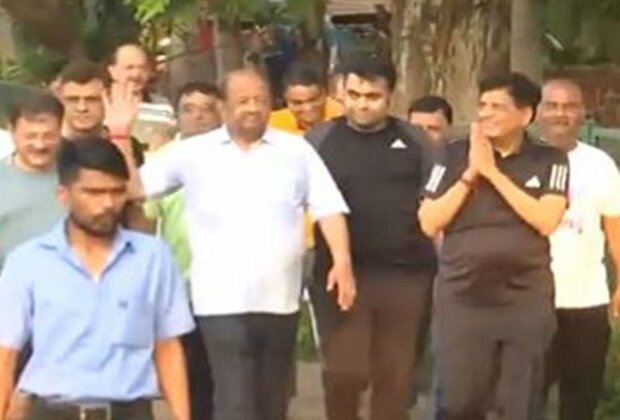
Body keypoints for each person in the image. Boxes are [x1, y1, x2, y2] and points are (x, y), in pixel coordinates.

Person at [117, 68, 356, 420]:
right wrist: (122, 135)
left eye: (259, 100)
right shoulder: (193, 153)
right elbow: (136, 188)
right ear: (225, 107)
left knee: (272, 401)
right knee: (235, 400)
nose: (252, 108)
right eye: (242, 101)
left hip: (280, 300)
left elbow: (328, 207)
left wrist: (343, 261)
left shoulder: (296, 151)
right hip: (219, 302)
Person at [0, 137, 194, 420]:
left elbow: (167, 348)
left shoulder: (152, 258)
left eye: (116, 192)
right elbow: (6, 353)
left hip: (130, 412)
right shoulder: (28, 261)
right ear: (63, 196)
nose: (107, 204)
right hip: (50, 412)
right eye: (93, 192)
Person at [418, 73, 569, 420]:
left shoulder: (549, 159)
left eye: (497, 107)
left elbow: (546, 220)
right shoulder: (452, 154)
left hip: (523, 301)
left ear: (525, 115)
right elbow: (429, 221)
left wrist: (494, 173)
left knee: (520, 405)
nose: (485, 113)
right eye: (482, 105)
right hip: (463, 300)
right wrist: (472, 173)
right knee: (459, 402)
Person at [306, 56, 436, 420]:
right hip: (339, 273)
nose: (362, 103)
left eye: (373, 96)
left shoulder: (416, 140)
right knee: (345, 372)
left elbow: (437, 201)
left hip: (406, 273)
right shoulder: (319, 140)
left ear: (390, 96)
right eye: (354, 94)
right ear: (340, 92)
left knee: (394, 375)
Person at [537, 78, 620, 420]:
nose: (561, 114)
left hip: (586, 300)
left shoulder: (600, 164)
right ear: (537, 112)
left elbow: (615, 226)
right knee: (523, 399)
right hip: (528, 300)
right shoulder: (519, 160)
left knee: (580, 400)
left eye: (570, 106)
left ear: (583, 114)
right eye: (552, 106)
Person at [144, 81, 223, 420]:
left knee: (229, 377)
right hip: (181, 288)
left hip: (228, 287)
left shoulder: (235, 159)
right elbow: (145, 225)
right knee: (192, 376)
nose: (198, 117)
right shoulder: (163, 162)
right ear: (177, 116)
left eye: (207, 109)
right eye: (189, 109)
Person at [0, 93, 65, 269]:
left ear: (61, 131)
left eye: (48, 136)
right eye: (30, 136)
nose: (40, 145)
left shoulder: (77, 175)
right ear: (12, 132)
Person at [270, 62, 342, 135]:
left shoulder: (343, 115)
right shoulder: (272, 125)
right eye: (298, 103)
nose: (307, 108)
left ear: (324, 94)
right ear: (286, 102)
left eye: (313, 100)